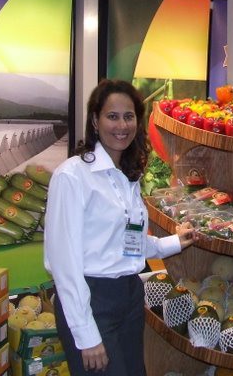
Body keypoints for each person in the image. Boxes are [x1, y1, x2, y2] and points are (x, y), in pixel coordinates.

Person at [44, 79, 198, 376]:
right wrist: (86, 334)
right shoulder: (72, 176)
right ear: (95, 120)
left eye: (129, 116)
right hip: (92, 299)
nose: (122, 125)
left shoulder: (127, 176)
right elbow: (64, 263)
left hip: (129, 295)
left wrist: (175, 242)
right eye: (112, 116)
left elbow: (127, 241)